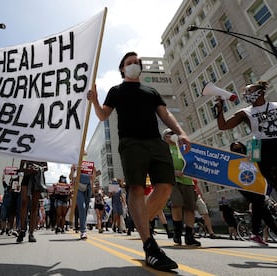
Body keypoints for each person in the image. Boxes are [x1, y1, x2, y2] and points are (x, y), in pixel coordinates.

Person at [87, 51, 191, 272]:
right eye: (129, 63)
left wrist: (180, 132)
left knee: (165, 187)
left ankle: (140, 220)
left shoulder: (151, 91)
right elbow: (103, 115)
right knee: (136, 188)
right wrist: (95, 101)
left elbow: (165, 114)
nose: (134, 65)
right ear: (123, 68)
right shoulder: (116, 91)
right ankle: (149, 245)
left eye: (137, 62)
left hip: (155, 142)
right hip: (131, 143)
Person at [216, 80, 277, 239]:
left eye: (249, 91)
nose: (246, 95)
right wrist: (220, 109)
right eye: (245, 93)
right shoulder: (244, 113)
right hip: (268, 153)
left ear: (261, 92)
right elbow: (224, 126)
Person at [230, 141, 277, 248]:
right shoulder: (233, 161)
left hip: (256, 186)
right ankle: (273, 236)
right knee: (260, 206)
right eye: (235, 149)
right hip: (244, 187)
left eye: (240, 147)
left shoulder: (251, 157)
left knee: (262, 209)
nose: (238, 150)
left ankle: (259, 234)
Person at [162, 128, 201, 246]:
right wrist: (174, 172)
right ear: (165, 137)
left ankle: (189, 235)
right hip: (173, 180)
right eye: (171, 134)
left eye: (175, 134)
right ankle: (177, 233)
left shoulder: (184, 148)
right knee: (177, 204)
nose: (174, 136)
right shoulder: (164, 150)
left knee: (190, 207)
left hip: (188, 181)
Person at [16, 160, 48, 243]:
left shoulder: (42, 154)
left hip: (37, 178)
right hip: (26, 178)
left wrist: (39, 168)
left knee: (34, 206)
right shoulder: (27, 152)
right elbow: (21, 168)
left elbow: (46, 167)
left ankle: (31, 233)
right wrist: (27, 170)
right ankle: (22, 230)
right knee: (24, 203)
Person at [70, 160, 95, 240]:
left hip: (88, 187)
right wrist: (72, 170)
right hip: (78, 187)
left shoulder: (90, 165)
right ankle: (83, 231)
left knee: (86, 208)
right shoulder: (75, 165)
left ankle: (83, 225)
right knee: (82, 207)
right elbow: (71, 177)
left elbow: (93, 177)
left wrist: (93, 175)